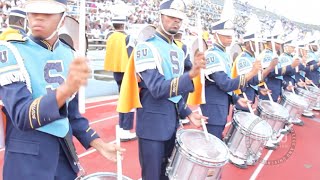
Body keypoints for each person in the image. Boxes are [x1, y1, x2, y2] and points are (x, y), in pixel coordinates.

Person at [0, 1, 124, 179]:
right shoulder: (10, 51)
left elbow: (72, 115)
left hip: (64, 157)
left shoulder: (70, 54)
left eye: (48, 13)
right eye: (33, 12)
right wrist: (65, 90)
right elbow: (21, 116)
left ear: (62, 19)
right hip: (27, 163)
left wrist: (98, 143)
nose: (38, 17)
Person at [118, 0, 207, 179]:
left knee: (168, 174)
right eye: (171, 17)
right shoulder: (146, 47)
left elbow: (175, 94)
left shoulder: (179, 50)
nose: (176, 21)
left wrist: (188, 112)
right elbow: (158, 89)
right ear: (160, 16)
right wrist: (190, 75)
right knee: (152, 176)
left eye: (179, 19)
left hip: (172, 123)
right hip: (152, 125)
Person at [200, 19, 260, 141]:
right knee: (213, 144)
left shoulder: (223, 54)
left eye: (231, 36)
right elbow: (225, 84)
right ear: (216, 35)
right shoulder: (212, 55)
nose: (230, 38)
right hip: (213, 109)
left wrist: (236, 98)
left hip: (220, 108)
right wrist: (252, 73)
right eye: (226, 36)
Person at [104, 14, 137, 141]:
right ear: (123, 24)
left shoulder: (110, 37)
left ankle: (122, 125)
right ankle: (126, 129)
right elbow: (131, 55)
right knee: (129, 100)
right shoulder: (127, 37)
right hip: (126, 71)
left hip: (116, 71)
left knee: (122, 99)